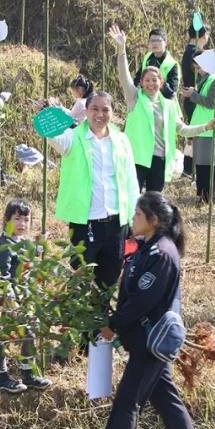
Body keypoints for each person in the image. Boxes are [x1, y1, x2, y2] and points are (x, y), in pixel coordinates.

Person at [76, 192, 205, 429]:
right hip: (144, 342)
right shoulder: (148, 247)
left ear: (154, 220)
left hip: (150, 344)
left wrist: (114, 325)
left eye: (137, 215)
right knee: (166, 399)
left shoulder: (163, 254)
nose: (133, 219)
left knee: (126, 402)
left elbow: (141, 301)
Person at [44, 91, 139, 293]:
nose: (100, 114)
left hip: (116, 222)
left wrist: (134, 218)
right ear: (85, 111)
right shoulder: (73, 138)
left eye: (105, 109)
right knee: (82, 279)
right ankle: (81, 324)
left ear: (113, 112)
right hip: (85, 222)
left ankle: (101, 321)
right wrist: (47, 114)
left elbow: (131, 181)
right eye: (94, 109)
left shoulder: (121, 140)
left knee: (110, 279)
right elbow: (52, 135)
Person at [111, 26, 215, 193]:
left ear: (161, 83)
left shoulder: (168, 105)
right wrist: (121, 50)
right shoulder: (135, 98)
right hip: (136, 158)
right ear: (141, 82)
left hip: (159, 159)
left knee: (154, 203)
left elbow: (182, 129)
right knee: (133, 199)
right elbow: (124, 76)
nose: (151, 84)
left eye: (155, 80)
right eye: (147, 80)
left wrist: (206, 126)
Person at [0, 199, 51, 394]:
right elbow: (2, 278)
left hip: (21, 298)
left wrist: (39, 246)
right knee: (2, 335)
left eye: (26, 219)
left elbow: (29, 259)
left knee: (29, 332)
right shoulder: (4, 247)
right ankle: (0, 377)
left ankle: (27, 373)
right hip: (3, 298)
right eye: (17, 219)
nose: (22, 224)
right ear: (6, 220)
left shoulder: (21, 242)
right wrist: (10, 302)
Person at [180, 50, 215, 203]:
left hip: (212, 129)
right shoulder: (208, 79)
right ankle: (201, 195)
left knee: (208, 168)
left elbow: (210, 103)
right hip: (203, 128)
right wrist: (194, 92)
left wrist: (192, 96)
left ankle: (208, 198)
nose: (198, 70)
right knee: (201, 165)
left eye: (200, 67)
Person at [180, 24, 210, 177]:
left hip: (190, 97)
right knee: (196, 133)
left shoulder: (188, 51)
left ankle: (188, 168)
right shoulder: (196, 54)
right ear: (204, 35)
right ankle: (190, 168)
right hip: (194, 98)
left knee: (193, 132)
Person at [139, 29, 180, 100]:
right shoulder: (147, 57)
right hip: (145, 101)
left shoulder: (172, 64)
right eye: (152, 41)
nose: (154, 43)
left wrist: (157, 81)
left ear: (165, 42)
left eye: (158, 41)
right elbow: (138, 78)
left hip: (163, 104)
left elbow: (172, 92)